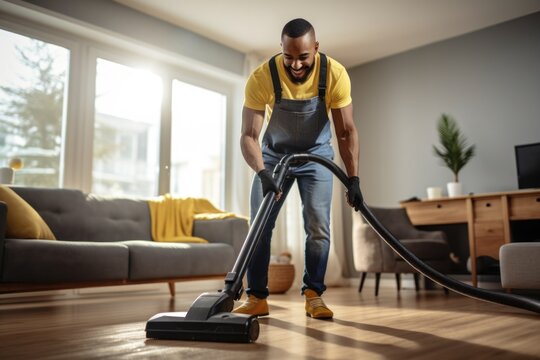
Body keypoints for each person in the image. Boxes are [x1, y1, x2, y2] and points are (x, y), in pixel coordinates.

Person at [234, 18, 361, 319]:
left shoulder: (335, 74)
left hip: (316, 155)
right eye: (289, 57)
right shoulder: (262, 76)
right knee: (260, 225)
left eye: (303, 57)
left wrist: (353, 178)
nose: (295, 65)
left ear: (315, 48)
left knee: (318, 226)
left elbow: (346, 132)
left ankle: (314, 294)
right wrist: (263, 172)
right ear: (281, 49)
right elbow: (248, 136)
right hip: (274, 156)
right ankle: (256, 297)